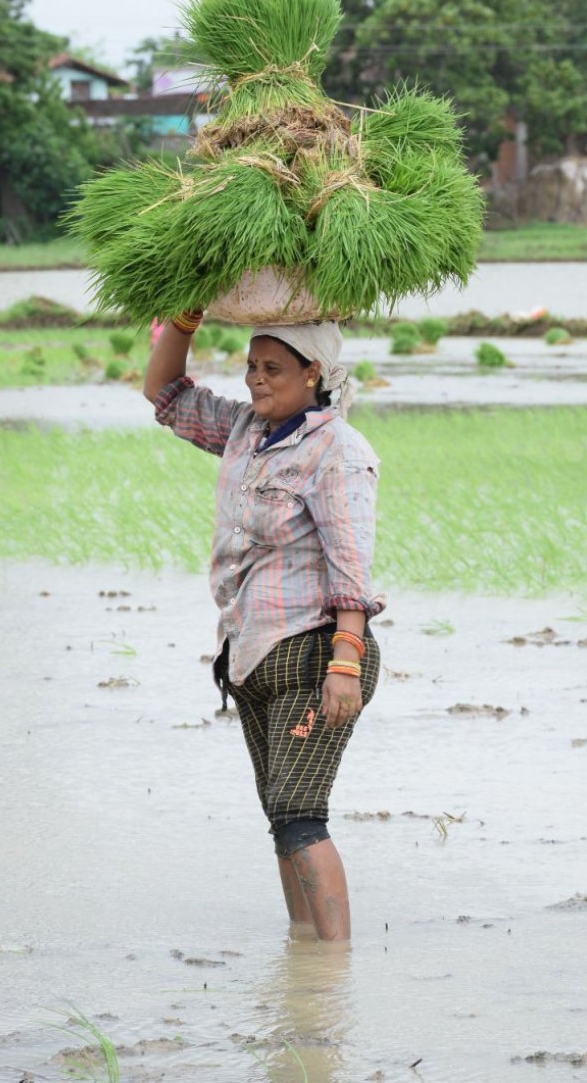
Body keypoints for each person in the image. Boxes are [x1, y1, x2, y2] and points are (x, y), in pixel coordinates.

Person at [143, 309, 385, 942]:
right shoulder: (244, 431)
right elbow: (165, 394)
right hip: (250, 655)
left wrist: (346, 662)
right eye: (251, 365)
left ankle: (332, 969)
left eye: (272, 368)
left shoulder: (338, 452)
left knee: (300, 812)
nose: (255, 378)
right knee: (281, 817)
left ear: (313, 374)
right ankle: (303, 954)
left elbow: (351, 568)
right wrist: (183, 323)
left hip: (316, 656)